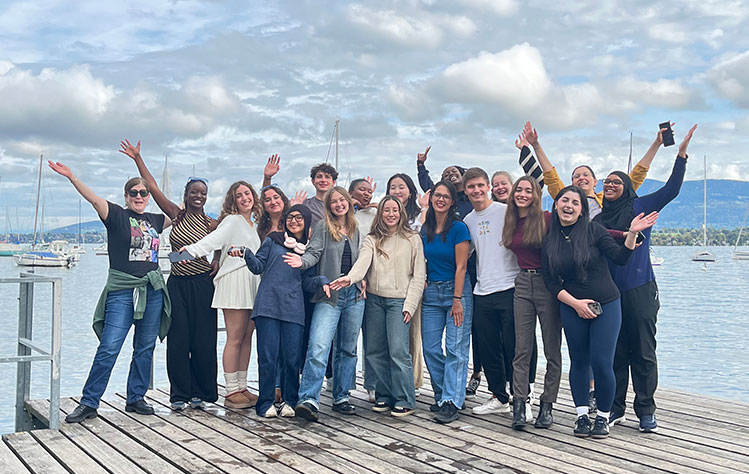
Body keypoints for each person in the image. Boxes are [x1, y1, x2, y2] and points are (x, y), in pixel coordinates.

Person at [51, 160, 172, 423]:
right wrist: (72, 177)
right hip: (122, 291)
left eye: (144, 193)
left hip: (151, 289)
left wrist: (144, 169)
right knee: (109, 346)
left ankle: (136, 397)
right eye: (134, 193)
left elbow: (180, 212)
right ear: (126, 196)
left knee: (145, 347)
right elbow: (94, 199)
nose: (139, 197)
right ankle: (89, 402)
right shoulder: (117, 215)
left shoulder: (156, 219)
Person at [596, 124, 697, 433]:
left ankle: (646, 410)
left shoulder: (641, 206)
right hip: (610, 294)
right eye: (607, 182)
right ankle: (615, 408)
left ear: (627, 187)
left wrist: (681, 155)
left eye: (616, 181)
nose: (610, 184)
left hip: (640, 289)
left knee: (642, 350)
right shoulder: (598, 219)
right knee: (615, 353)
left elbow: (671, 190)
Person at [542, 185, 658, 439]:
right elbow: (550, 281)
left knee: (602, 363)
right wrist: (575, 304)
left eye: (575, 202)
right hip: (572, 305)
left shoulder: (594, 230)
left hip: (607, 304)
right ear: (557, 205)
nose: (569, 205)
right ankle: (582, 415)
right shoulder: (550, 240)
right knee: (579, 362)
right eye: (564, 200)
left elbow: (620, 258)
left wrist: (631, 235)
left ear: (582, 209)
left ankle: (603, 416)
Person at [119, 140, 219, 411]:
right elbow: (152, 187)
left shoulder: (212, 223)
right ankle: (179, 395)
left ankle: (202, 393)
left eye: (203, 193)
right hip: (177, 284)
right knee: (178, 339)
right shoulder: (176, 214)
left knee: (203, 340)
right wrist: (138, 158)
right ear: (186, 194)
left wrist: (218, 260)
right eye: (194, 192)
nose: (198, 196)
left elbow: (228, 240)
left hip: (203, 285)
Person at [230, 204, 330, 419]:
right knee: (267, 357)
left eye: (299, 218)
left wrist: (322, 281)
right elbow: (257, 266)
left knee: (292, 358)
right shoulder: (273, 240)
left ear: (306, 221)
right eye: (290, 217)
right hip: (267, 306)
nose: (294, 221)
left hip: (293, 309)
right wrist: (246, 254)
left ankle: (290, 401)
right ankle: (265, 402)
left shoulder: (309, 251)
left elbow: (306, 283)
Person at [331, 196, 426, 417]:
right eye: (386, 210)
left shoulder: (413, 239)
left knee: (398, 351)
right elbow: (363, 262)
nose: (391, 214)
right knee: (374, 351)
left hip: (400, 301)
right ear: (380, 214)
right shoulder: (372, 239)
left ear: (401, 213)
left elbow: (419, 275)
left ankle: (405, 398)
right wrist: (350, 278)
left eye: (395, 210)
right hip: (374, 299)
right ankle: (384, 394)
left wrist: (409, 305)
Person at [283, 187, 364, 421]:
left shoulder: (357, 228)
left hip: (354, 294)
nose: (339, 204)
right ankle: (308, 399)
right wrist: (301, 262)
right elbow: (313, 254)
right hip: (330, 294)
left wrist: (363, 280)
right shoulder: (323, 228)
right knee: (318, 346)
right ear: (328, 206)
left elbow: (362, 259)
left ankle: (341, 396)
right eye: (334, 202)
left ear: (348, 202)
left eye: (342, 200)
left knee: (347, 349)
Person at [181, 181, 262, 409]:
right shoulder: (233, 220)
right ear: (233, 201)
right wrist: (192, 251)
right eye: (239, 195)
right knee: (235, 337)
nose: (245, 198)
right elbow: (213, 240)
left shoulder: (252, 224)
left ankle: (243, 386)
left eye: (247, 193)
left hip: (251, 281)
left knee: (247, 337)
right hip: (234, 280)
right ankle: (231, 390)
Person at [502, 176, 561, 429]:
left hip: (548, 284)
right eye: (519, 190)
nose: (523, 194)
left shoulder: (547, 219)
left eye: (528, 190)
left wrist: (624, 234)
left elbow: (583, 230)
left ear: (536, 195)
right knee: (521, 348)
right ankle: (519, 404)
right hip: (523, 283)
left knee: (551, 349)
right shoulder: (510, 222)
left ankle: (547, 405)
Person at [462, 167, 520, 416]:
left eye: (479, 185)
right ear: (465, 191)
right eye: (471, 187)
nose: (476, 190)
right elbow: (466, 255)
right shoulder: (467, 221)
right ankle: (499, 396)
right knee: (487, 347)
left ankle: (521, 397)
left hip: (510, 286)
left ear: (488, 187)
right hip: (482, 290)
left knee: (514, 346)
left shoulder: (507, 211)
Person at [523, 121, 659, 219]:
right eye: (576, 176)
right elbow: (551, 178)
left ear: (595, 182)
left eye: (585, 175)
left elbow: (636, 176)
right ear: (572, 183)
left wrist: (657, 143)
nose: (581, 178)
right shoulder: (566, 198)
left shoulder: (607, 198)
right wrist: (536, 146)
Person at [419, 181, 473, 424]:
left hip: (456, 291)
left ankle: (452, 401)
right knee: (430, 348)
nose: (440, 199)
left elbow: (462, 266)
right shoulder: (426, 229)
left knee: (455, 349)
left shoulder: (459, 228)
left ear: (452, 201)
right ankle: (442, 395)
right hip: (431, 294)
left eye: (446, 197)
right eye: (437, 195)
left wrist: (457, 300)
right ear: (431, 199)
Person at [387, 173, 425, 394]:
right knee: (391, 338)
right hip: (388, 283)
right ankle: (390, 381)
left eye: (402, 187)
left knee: (413, 334)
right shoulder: (384, 216)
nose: (397, 191)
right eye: (393, 187)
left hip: (413, 281)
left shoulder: (419, 215)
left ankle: (413, 381)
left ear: (410, 191)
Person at [349, 177, 378, 400]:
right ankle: (343, 384)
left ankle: (372, 383)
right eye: (362, 190)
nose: (366, 193)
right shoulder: (346, 214)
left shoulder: (374, 214)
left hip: (374, 278)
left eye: (369, 191)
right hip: (349, 279)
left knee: (373, 336)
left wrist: (376, 204)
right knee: (348, 337)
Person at [415, 146, 473, 218]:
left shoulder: (472, 196)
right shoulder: (444, 199)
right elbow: (426, 183)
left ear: (462, 175)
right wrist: (420, 164)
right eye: (446, 175)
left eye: (454, 171)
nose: (451, 174)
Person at [304, 163, 338, 228]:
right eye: (319, 177)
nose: (323, 180)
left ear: (333, 182)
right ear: (313, 181)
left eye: (327, 177)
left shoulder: (341, 205)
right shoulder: (306, 204)